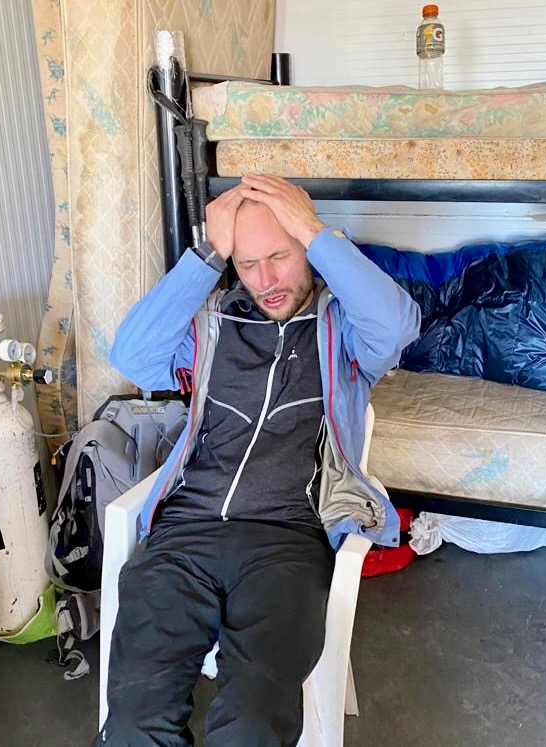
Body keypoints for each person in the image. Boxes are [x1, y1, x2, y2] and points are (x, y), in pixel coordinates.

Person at [94, 174, 420, 746]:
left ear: (309, 248)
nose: (265, 280)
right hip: (183, 538)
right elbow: (133, 356)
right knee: (135, 722)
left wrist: (316, 234)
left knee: (250, 725)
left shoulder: (343, 331)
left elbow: (398, 325)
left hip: (287, 544)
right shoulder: (213, 324)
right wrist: (207, 253)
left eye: (280, 255)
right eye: (247, 263)